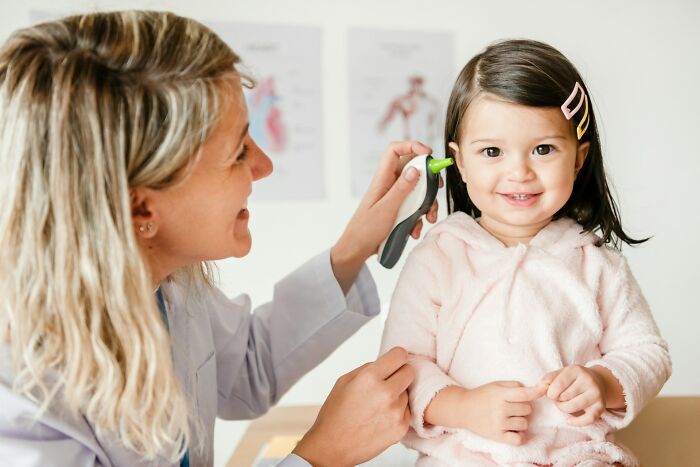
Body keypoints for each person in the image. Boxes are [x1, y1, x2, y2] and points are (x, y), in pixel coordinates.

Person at [0, 11, 440, 467]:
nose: (264, 167)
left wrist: (354, 248)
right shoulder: (19, 396)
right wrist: (321, 454)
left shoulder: (167, 289)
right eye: (238, 153)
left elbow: (247, 368)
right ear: (141, 208)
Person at [380, 39, 672, 466]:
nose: (519, 172)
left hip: (578, 454)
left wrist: (603, 382)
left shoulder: (595, 262)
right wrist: (463, 406)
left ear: (578, 158)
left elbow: (648, 352)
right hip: (464, 454)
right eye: (492, 152)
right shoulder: (439, 258)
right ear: (460, 163)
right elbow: (404, 365)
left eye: (543, 149)